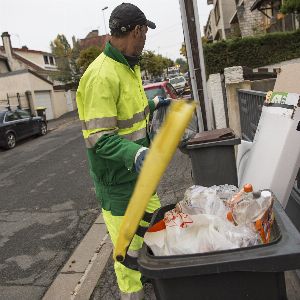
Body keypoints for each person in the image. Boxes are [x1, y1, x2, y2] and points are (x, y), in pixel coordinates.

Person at [76, 3, 169, 299]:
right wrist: (137, 154)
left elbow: (131, 115)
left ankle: (157, 281)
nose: (145, 41)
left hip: (141, 179)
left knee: (157, 234)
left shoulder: (128, 67)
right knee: (128, 256)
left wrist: (155, 105)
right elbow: (99, 138)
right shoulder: (101, 76)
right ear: (137, 31)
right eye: (145, 34)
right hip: (118, 186)